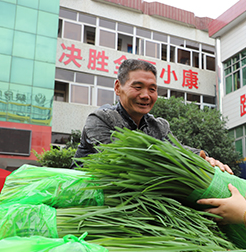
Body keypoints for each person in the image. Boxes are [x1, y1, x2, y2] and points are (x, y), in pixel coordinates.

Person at [73, 58, 232, 173]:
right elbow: (121, 161)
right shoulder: (100, 119)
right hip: (85, 198)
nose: (145, 95)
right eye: (138, 87)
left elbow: (178, 149)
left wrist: (203, 158)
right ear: (118, 87)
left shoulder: (159, 126)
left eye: (152, 89)